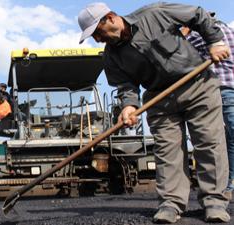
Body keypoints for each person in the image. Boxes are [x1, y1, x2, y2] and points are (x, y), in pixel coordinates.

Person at [78, 2, 230, 223]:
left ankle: (214, 202)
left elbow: (198, 15)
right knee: (167, 152)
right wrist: (129, 106)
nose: (98, 40)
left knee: (209, 143)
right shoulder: (111, 57)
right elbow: (125, 86)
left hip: (197, 86)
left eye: (98, 33)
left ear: (110, 18)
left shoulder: (155, 14)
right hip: (160, 99)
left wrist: (214, 42)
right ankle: (171, 204)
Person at [181, 14, 234, 200]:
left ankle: (226, 184)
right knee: (229, 138)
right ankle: (228, 184)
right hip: (228, 87)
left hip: (219, 88)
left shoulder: (196, 36)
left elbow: (183, 60)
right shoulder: (228, 30)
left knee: (214, 139)